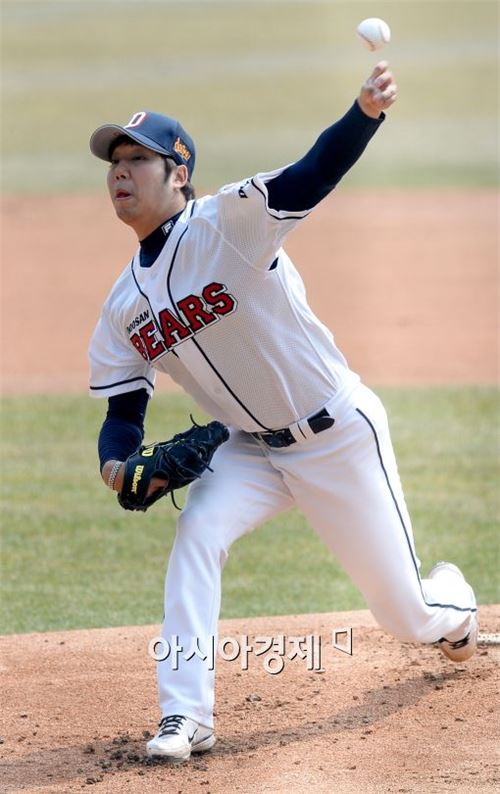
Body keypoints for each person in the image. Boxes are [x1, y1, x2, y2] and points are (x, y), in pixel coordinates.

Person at [88, 62, 478, 763]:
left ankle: (456, 611)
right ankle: (186, 716)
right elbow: (124, 405)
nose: (120, 172)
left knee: (403, 614)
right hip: (249, 451)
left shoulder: (230, 223)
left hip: (337, 435)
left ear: (179, 173)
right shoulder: (123, 304)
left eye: (137, 159)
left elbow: (309, 174)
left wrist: (363, 113)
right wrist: (117, 465)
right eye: (114, 162)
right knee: (198, 535)